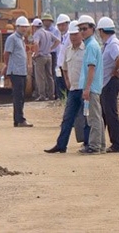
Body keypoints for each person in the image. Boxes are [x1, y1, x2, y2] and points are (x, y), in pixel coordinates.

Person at [45, 20, 89, 153]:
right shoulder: (68, 50)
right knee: (67, 119)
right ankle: (61, 145)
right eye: (71, 35)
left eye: (76, 34)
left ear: (81, 34)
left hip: (84, 90)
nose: (73, 37)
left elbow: (91, 69)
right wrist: (67, 81)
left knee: (86, 118)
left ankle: (87, 144)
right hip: (73, 89)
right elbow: (64, 67)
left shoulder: (87, 50)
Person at [97, 17, 119, 154]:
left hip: (110, 82)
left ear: (102, 31)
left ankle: (116, 144)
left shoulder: (112, 44)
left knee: (110, 114)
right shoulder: (110, 43)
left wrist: (115, 70)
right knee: (104, 114)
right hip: (107, 83)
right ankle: (98, 141)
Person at [77, 15, 104, 154]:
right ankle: (101, 145)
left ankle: (94, 146)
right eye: (80, 29)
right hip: (93, 86)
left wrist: (87, 88)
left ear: (92, 29)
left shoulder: (91, 46)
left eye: (85, 29)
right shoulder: (90, 45)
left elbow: (91, 68)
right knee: (96, 116)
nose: (82, 31)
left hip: (92, 87)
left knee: (93, 118)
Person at [2, 16, 33, 127]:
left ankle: (18, 119)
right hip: (15, 71)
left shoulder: (21, 39)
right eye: (22, 27)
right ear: (17, 27)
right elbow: (6, 53)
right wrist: (6, 65)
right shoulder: (12, 38)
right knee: (18, 96)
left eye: (26, 27)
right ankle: (20, 120)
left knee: (21, 96)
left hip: (22, 71)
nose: (24, 29)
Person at [31, 18, 60, 101]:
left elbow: (36, 43)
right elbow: (57, 41)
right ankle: (51, 95)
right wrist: (51, 48)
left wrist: (36, 54)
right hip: (48, 56)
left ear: (34, 26)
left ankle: (42, 95)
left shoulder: (37, 34)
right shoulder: (48, 33)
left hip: (41, 56)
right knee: (49, 76)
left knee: (40, 76)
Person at [42, 13, 61, 99]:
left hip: (52, 53)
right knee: (43, 74)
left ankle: (54, 93)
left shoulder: (55, 31)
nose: (46, 22)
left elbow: (57, 41)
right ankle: (46, 92)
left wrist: (50, 48)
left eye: (48, 21)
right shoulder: (42, 31)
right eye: (45, 21)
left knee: (52, 73)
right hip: (43, 54)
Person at [54, 14, 71, 99]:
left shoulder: (70, 37)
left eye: (63, 25)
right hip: (60, 66)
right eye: (59, 25)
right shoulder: (62, 37)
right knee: (60, 86)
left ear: (68, 25)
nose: (61, 27)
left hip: (66, 66)